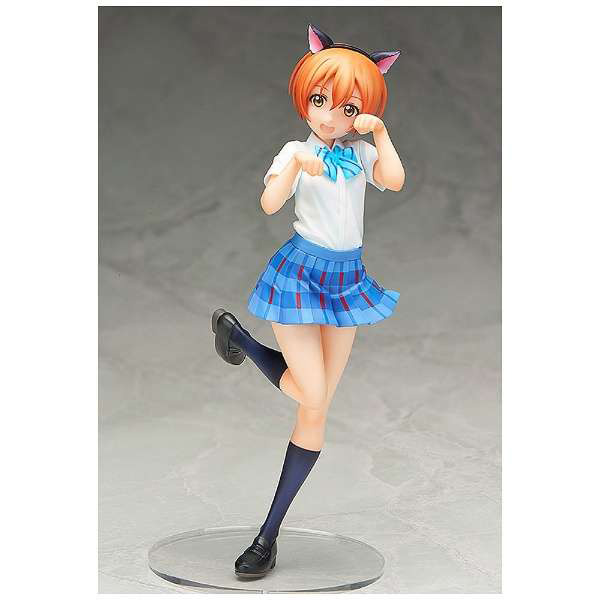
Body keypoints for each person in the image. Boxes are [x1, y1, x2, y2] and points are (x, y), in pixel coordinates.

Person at [211, 23, 405, 578]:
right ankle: (245, 341)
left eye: (347, 108)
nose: (329, 116)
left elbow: (394, 179)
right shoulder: (296, 149)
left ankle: (267, 536)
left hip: (347, 280)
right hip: (301, 273)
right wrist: (297, 164)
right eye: (320, 101)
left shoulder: (361, 152)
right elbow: (270, 204)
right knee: (313, 390)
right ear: (305, 99)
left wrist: (380, 133)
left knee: (315, 410)